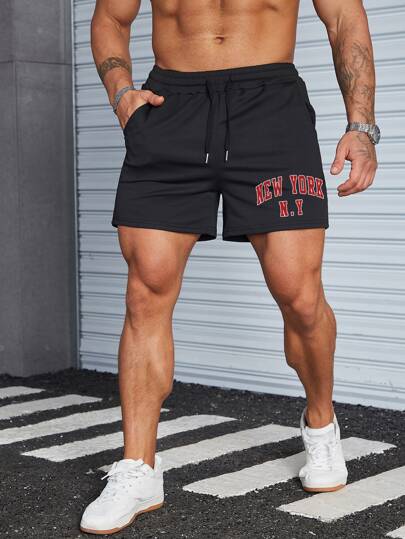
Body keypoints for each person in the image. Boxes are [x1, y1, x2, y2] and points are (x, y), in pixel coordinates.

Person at [80, 0, 380, 534]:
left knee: (298, 291)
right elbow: (111, 17)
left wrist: (361, 125)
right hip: (170, 108)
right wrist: (122, 92)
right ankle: (138, 467)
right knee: (146, 288)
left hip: (271, 110)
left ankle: (320, 423)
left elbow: (344, 19)